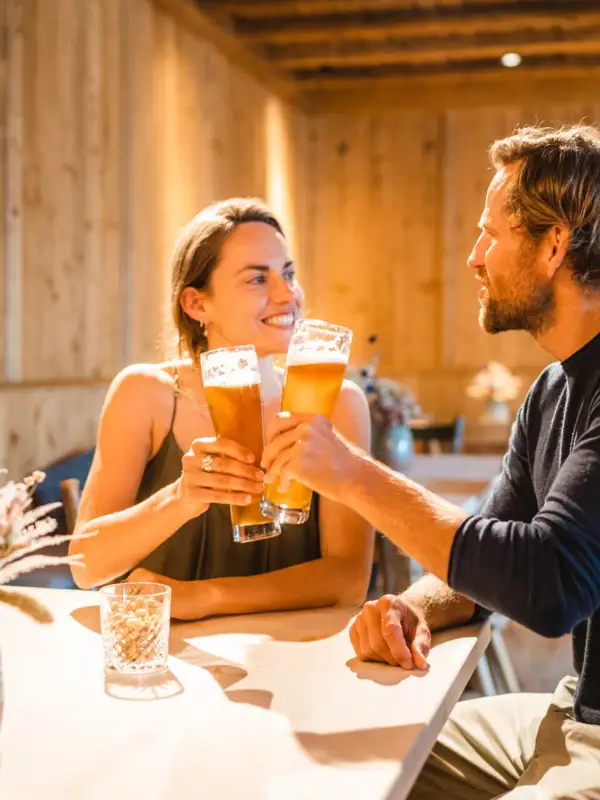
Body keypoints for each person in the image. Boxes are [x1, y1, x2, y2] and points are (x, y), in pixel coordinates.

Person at [261, 124, 600, 798]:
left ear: (553, 245)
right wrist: (411, 605)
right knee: (368, 766)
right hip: (572, 711)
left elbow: (549, 583)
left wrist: (352, 473)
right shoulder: (553, 389)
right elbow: (485, 553)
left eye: (490, 234)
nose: (474, 257)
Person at [69, 198, 373, 620]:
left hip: (298, 662)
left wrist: (203, 598)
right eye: (257, 280)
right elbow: (85, 566)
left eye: (288, 273)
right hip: (169, 666)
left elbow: (348, 581)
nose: (289, 294)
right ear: (196, 304)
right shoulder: (146, 394)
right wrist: (181, 496)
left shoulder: (339, 402)